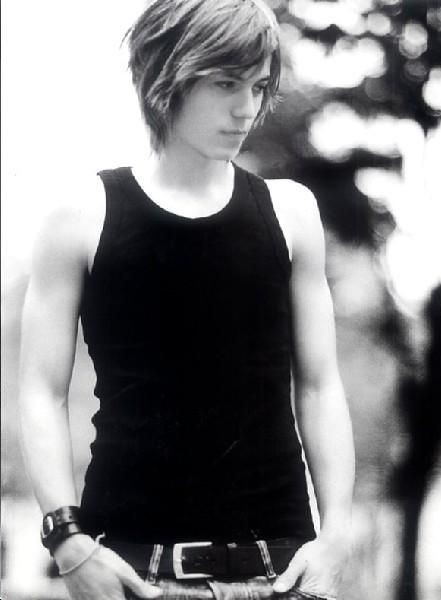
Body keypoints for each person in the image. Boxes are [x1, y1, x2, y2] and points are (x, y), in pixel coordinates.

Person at [19, 1, 355, 599]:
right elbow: (41, 392)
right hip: (130, 571)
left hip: (281, 570)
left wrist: (336, 536)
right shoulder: (81, 216)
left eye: (258, 86)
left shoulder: (291, 213)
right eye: (226, 84)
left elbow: (321, 385)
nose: (246, 107)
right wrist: (67, 541)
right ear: (164, 74)